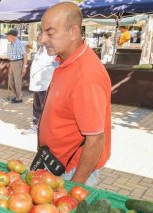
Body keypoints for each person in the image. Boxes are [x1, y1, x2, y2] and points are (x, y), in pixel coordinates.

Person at [38, 2, 111, 186]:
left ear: (73, 32)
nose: (42, 39)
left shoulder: (86, 76)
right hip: (55, 162)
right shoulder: (64, 59)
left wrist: (76, 187)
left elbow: (95, 140)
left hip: (71, 172)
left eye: (50, 32)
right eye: (42, 32)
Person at [28, 38, 55, 132]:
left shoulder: (52, 49)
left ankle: (46, 128)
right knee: (36, 106)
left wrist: (51, 67)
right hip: (37, 84)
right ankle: (36, 126)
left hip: (45, 84)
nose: (38, 39)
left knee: (45, 107)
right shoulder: (40, 49)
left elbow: (57, 63)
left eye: (40, 37)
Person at [6, 29, 27, 103]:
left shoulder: (19, 43)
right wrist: (10, 61)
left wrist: (24, 66)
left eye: (7, 36)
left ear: (12, 36)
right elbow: (12, 55)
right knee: (10, 81)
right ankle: (17, 95)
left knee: (17, 81)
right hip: (12, 63)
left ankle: (19, 98)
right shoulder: (11, 44)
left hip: (18, 63)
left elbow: (25, 55)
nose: (7, 37)